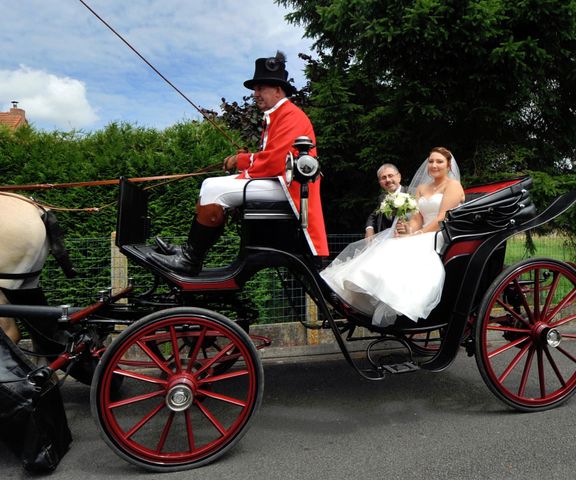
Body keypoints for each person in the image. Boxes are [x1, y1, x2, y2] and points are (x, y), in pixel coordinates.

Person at [149, 51, 329, 275]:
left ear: (278, 90)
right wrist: (247, 159)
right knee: (209, 187)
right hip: (283, 184)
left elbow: (274, 162)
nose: (255, 94)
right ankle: (190, 252)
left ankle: (190, 258)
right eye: (255, 89)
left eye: (260, 88)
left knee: (212, 187)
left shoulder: (291, 115)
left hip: (290, 190)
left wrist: (241, 160)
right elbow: (272, 157)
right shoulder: (280, 115)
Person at [321, 147, 464, 327]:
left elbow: (442, 217)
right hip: (422, 232)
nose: (434, 165)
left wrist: (418, 234)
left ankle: (397, 298)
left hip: (440, 234)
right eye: (431, 161)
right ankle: (368, 286)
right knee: (391, 243)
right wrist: (409, 230)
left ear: (448, 165)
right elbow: (417, 218)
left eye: (439, 161)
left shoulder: (453, 186)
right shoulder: (421, 188)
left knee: (404, 248)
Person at [365, 163, 407, 239]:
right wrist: (369, 229)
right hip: (386, 240)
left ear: (399, 177)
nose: (387, 180)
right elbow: (373, 215)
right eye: (383, 178)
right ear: (380, 182)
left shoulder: (412, 193)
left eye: (390, 176)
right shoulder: (382, 197)